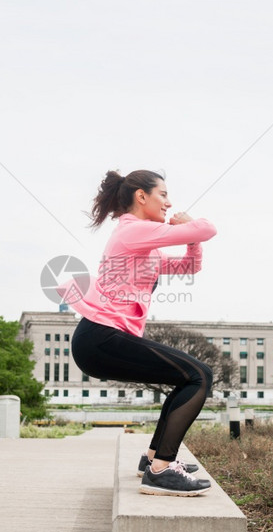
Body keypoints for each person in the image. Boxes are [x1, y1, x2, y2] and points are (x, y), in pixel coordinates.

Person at [64, 169, 218, 497]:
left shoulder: (145, 244)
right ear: (141, 196)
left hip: (105, 339)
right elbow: (208, 228)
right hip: (101, 337)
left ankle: (152, 459)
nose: (169, 202)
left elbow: (190, 266)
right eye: (163, 194)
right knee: (199, 376)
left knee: (188, 378)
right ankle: (162, 469)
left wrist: (190, 237)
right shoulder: (132, 232)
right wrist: (189, 224)